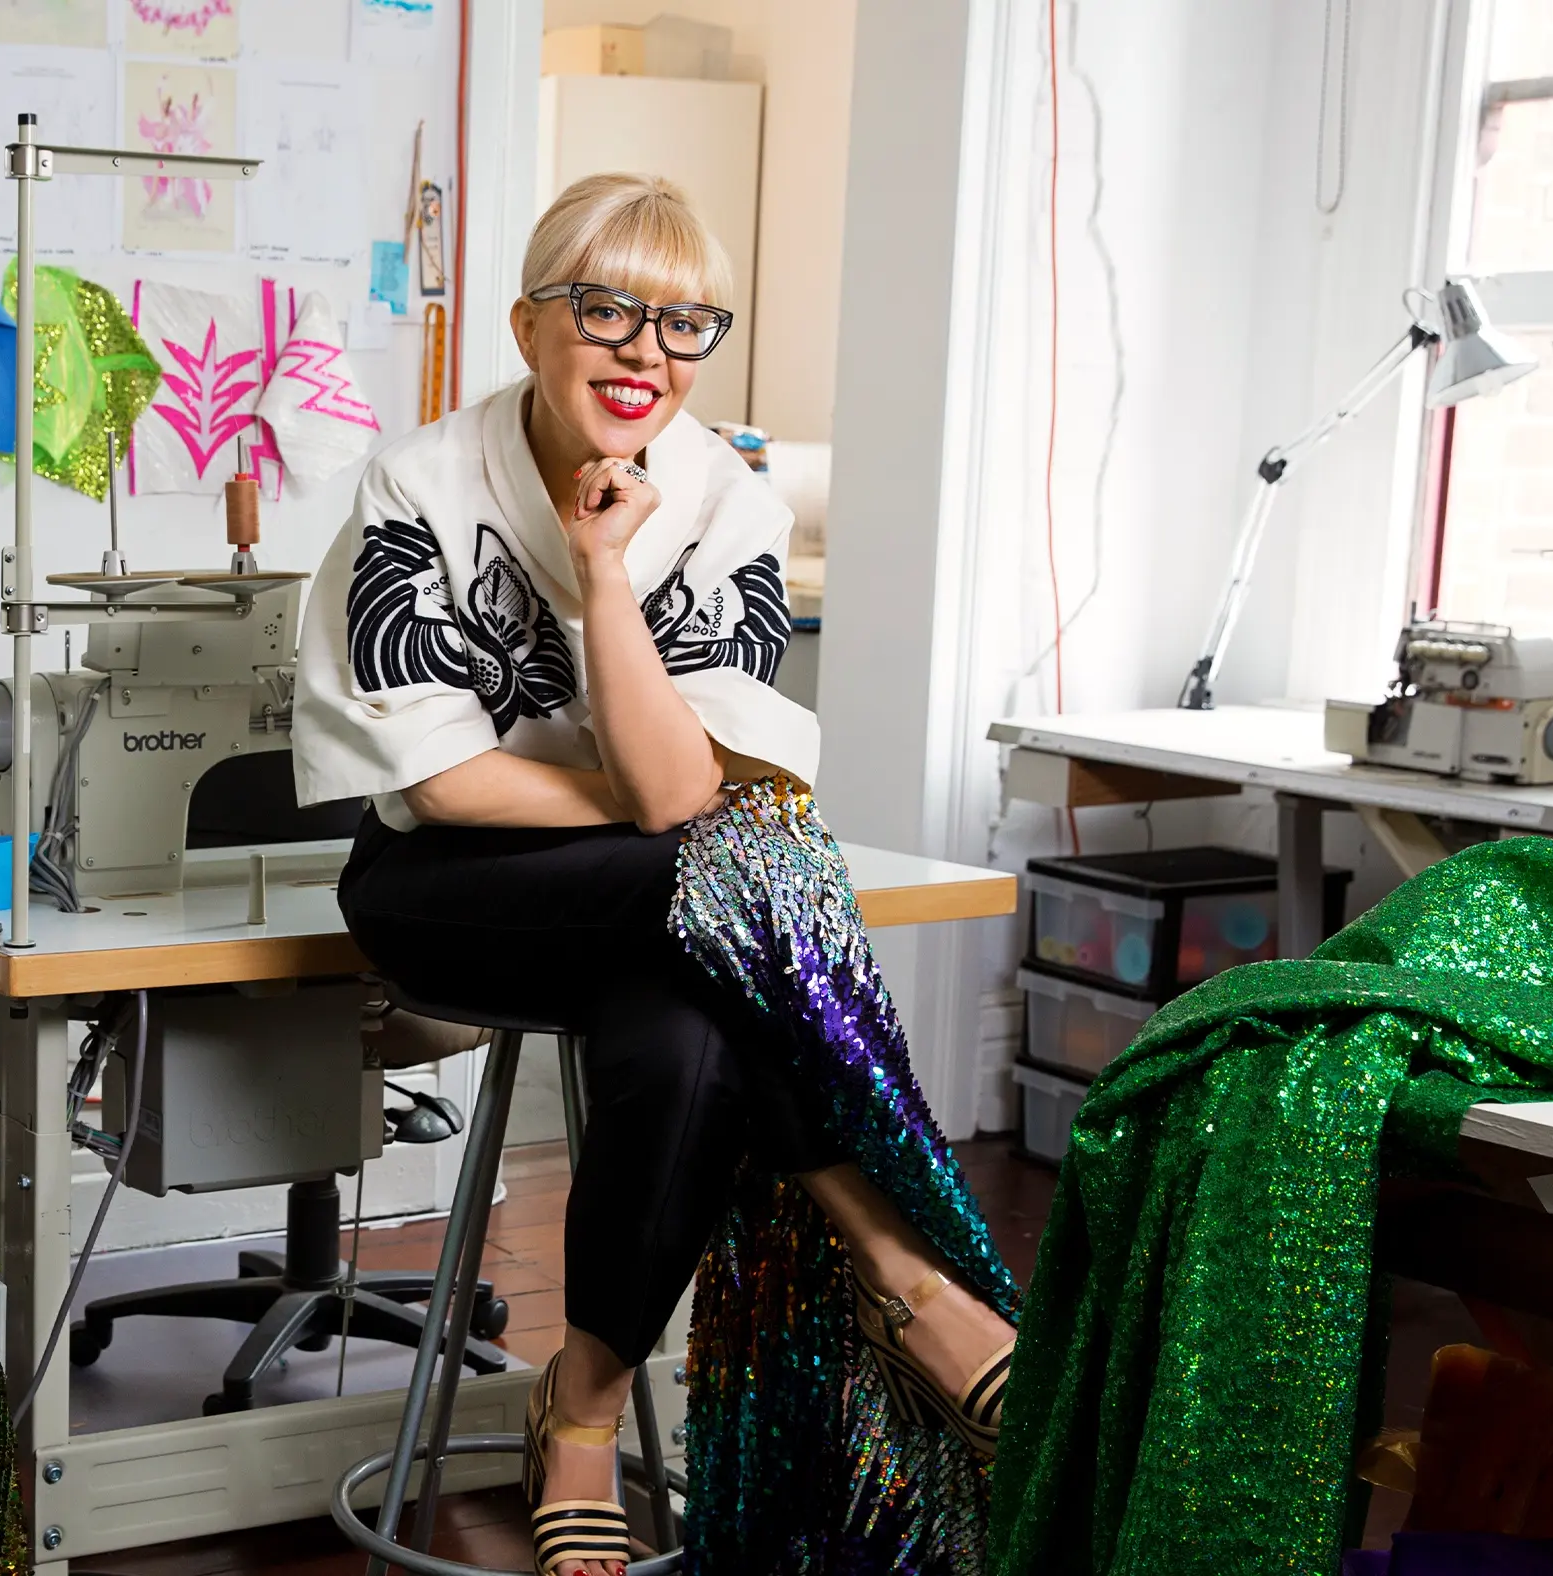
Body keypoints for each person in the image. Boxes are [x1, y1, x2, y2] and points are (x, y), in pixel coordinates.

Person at [293, 172, 1019, 1575]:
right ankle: (897, 1258)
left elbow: (685, 795)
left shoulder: (723, 504)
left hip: (665, 905)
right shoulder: (419, 486)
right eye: (609, 309)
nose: (647, 352)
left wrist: (604, 568)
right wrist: (644, 803)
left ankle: (583, 1411)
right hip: (442, 891)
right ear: (528, 326)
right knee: (747, 868)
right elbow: (446, 784)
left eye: (686, 324)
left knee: (686, 1035)